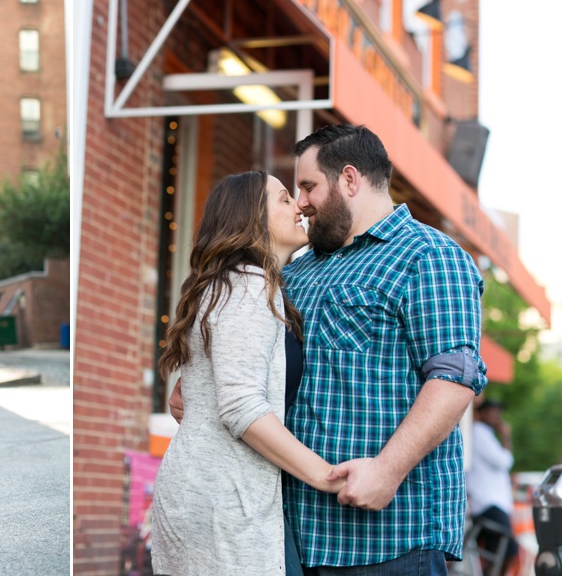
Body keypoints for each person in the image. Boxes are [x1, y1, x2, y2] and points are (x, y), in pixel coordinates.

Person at [170, 124, 488, 575]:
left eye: (308, 186)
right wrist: (200, 382)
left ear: (350, 180)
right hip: (291, 537)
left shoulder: (429, 255)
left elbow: (455, 377)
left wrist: (387, 470)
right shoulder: (296, 272)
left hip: (389, 535)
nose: (301, 202)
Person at [151, 171, 343, 575]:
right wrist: (327, 477)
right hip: (224, 498)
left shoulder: (228, 285)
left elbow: (197, 394)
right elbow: (240, 406)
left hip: (206, 487)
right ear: (252, 218)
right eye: (284, 199)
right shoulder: (250, 286)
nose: (299, 207)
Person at [467, 399, 519, 575]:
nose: (497, 416)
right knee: (509, 549)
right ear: (481, 413)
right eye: (492, 411)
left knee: (495, 552)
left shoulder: (485, 434)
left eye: (498, 411)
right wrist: (506, 435)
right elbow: (504, 461)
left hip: (490, 502)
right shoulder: (479, 432)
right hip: (488, 502)